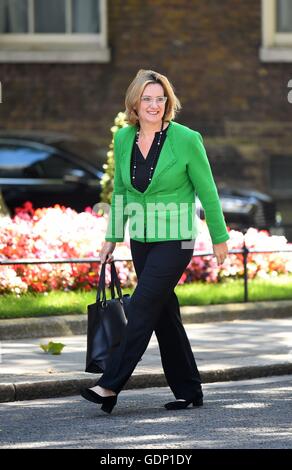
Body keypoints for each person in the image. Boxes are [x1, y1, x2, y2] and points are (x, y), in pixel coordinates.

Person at [81, 69, 229, 414]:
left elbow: (208, 191)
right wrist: (113, 236)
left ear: (168, 102)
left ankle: (110, 384)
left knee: (143, 306)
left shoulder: (187, 139)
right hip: (142, 240)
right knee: (164, 315)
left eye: (159, 98)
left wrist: (219, 238)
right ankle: (190, 389)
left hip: (176, 240)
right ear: (135, 102)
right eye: (147, 98)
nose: (153, 105)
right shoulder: (123, 139)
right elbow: (119, 191)